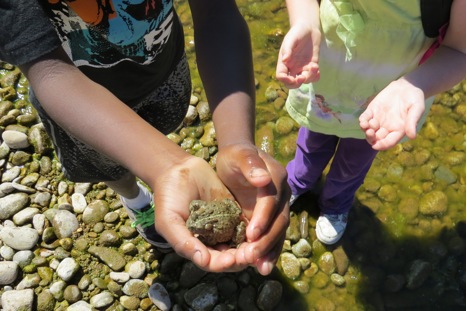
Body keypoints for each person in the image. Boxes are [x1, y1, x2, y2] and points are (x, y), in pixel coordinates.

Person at [0, 0, 290, 275]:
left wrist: (236, 142)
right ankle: (134, 199)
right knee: (109, 167)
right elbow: (50, 72)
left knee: (162, 129)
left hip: (163, 72)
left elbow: (216, 12)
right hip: (77, 109)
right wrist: (166, 167)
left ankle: (149, 176)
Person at [276, 0, 465, 245]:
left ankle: (336, 203)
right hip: (328, 77)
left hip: (390, 96)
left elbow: (460, 49)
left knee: (355, 160)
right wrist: (305, 20)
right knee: (313, 139)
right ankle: (297, 180)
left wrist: (417, 85)